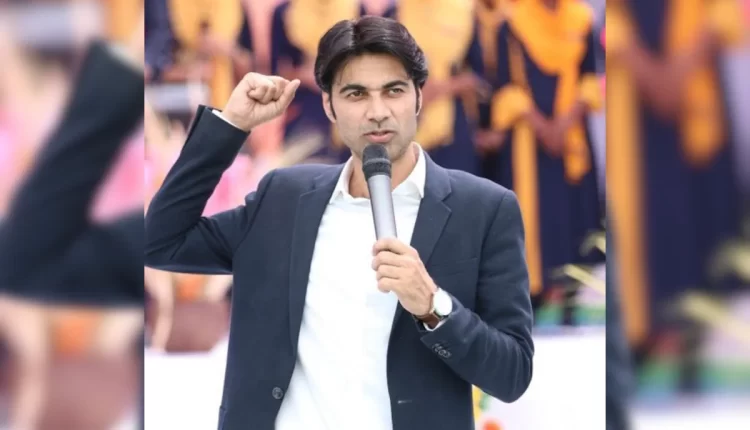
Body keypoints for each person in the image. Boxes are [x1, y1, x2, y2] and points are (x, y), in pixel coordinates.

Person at [145, 15, 533, 430]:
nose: (378, 112)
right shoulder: (284, 198)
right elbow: (160, 241)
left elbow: (511, 375)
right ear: (329, 104)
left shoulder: (484, 209)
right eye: (356, 94)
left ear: (419, 97)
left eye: (394, 90)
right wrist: (231, 125)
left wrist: (433, 307)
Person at [607, 0, 745, 360]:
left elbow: (720, 15)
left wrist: (679, 70)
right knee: (652, 222)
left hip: (698, 95)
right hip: (633, 101)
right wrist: (647, 70)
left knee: (709, 228)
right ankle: (657, 339)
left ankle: (701, 336)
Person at [484, 0, 604, 302]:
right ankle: (537, 298)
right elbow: (506, 87)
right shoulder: (513, 24)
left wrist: (563, 125)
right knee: (538, 214)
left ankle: (571, 296)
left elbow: (589, 78)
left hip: (571, 137)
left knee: (575, 214)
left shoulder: (581, 20)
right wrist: (544, 127)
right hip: (528, 139)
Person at [383, 0, 492, 175]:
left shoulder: (466, 12)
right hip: (405, 137)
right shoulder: (394, 14)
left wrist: (445, 87)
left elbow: (483, 81)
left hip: (455, 137)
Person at [271, 0, 367, 163]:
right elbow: (275, 71)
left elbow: (364, 65)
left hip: (347, 109)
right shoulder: (284, 12)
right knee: (305, 172)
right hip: (303, 113)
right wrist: (304, 75)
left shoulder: (356, 9)